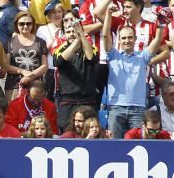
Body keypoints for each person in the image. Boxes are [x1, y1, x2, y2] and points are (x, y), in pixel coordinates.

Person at [101, 9, 164, 138]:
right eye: (123, 38)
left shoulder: (143, 57)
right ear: (118, 40)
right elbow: (106, 35)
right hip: (116, 108)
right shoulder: (113, 55)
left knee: (137, 146)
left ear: (135, 39)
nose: (127, 40)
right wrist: (108, 14)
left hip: (138, 109)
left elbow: (157, 41)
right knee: (114, 145)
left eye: (130, 37)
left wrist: (161, 24)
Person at [53, 12, 101, 134]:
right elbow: (59, 61)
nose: (71, 34)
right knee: (67, 134)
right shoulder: (60, 48)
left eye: (73, 31)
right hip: (68, 100)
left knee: (90, 133)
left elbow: (91, 57)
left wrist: (81, 37)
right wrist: (76, 42)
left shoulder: (90, 47)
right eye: (68, 32)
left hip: (88, 100)